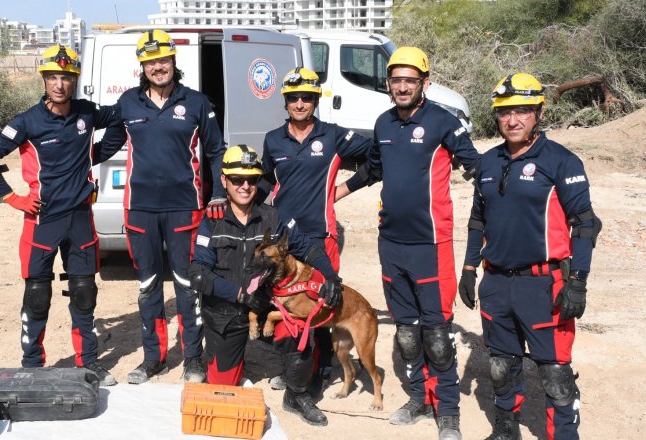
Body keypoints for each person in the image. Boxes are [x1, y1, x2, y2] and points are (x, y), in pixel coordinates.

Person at [337, 46, 480, 440]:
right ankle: (419, 398)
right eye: (396, 80)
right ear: (388, 84)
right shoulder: (383, 124)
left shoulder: (442, 122)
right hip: (391, 243)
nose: (402, 86)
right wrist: (337, 192)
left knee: (436, 332)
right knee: (406, 331)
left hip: (431, 244)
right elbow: (373, 170)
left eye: (410, 80)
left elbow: (475, 164)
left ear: (425, 83)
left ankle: (447, 411)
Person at [458, 73, 600, 440]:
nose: (513, 120)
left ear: (538, 113)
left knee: (555, 373)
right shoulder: (488, 163)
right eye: (505, 112)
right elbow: (477, 221)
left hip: (545, 285)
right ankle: (507, 429)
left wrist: (577, 282)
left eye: (522, 111)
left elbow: (585, 224)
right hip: (497, 283)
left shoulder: (561, 161)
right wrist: (470, 269)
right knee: (502, 366)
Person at [0, 44, 124, 386]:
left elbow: (119, 121)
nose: (60, 84)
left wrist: (91, 156)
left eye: (66, 78)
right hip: (42, 221)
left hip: (81, 219)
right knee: (37, 295)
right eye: (53, 77)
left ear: (75, 81)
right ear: (44, 80)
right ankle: (32, 365)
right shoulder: (27, 121)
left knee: (84, 293)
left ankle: (89, 364)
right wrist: (12, 198)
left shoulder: (86, 113)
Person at [100, 29, 228, 384]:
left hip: (185, 208)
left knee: (188, 285)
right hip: (140, 209)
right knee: (148, 286)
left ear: (174, 61)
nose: (159, 67)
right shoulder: (128, 103)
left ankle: (192, 359)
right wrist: (69, 161)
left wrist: (218, 192)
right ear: (142, 66)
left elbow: (216, 150)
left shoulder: (198, 102)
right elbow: (106, 147)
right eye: (151, 61)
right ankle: (153, 358)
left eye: (164, 59)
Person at [188, 145, 343, 427]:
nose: (245, 186)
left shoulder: (275, 216)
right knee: (222, 387)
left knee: (301, 331)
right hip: (226, 314)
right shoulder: (211, 221)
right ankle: (224, 357)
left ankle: (296, 394)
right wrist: (240, 296)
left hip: (270, 307)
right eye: (237, 179)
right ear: (224, 180)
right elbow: (198, 275)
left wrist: (331, 276)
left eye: (252, 179)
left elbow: (309, 249)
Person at [260, 67, 373, 388]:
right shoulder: (273, 140)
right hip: (285, 242)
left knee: (324, 304)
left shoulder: (333, 135)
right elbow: (266, 181)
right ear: (285, 102)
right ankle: (295, 368)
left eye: (306, 98)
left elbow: (375, 155)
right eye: (293, 98)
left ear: (315, 100)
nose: (300, 103)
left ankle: (321, 372)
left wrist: (348, 188)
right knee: (288, 303)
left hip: (322, 236)